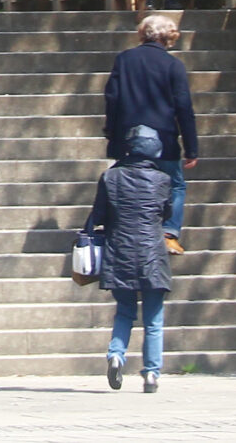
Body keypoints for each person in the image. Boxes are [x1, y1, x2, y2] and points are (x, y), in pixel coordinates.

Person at [83, 123, 175, 393]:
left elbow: (98, 215)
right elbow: (166, 213)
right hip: (152, 255)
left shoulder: (111, 177)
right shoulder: (163, 180)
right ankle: (151, 374)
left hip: (119, 252)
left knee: (124, 312)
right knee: (154, 318)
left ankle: (116, 354)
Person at [104, 11, 198, 254]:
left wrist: (112, 136)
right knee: (175, 186)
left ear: (143, 34)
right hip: (164, 140)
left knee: (129, 184)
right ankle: (169, 233)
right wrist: (191, 148)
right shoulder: (173, 66)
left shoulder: (124, 60)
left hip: (129, 140)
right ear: (169, 37)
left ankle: (127, 231)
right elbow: (184, 109)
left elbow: (112, 99)